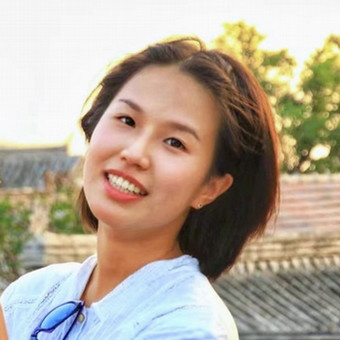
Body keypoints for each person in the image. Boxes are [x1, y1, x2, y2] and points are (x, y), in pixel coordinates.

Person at [0, 37, 279, 339]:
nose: (134, 153)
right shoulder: (29, 298)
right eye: (127, 120)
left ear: (210, 188)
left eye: (175, 142)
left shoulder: (189, 326)